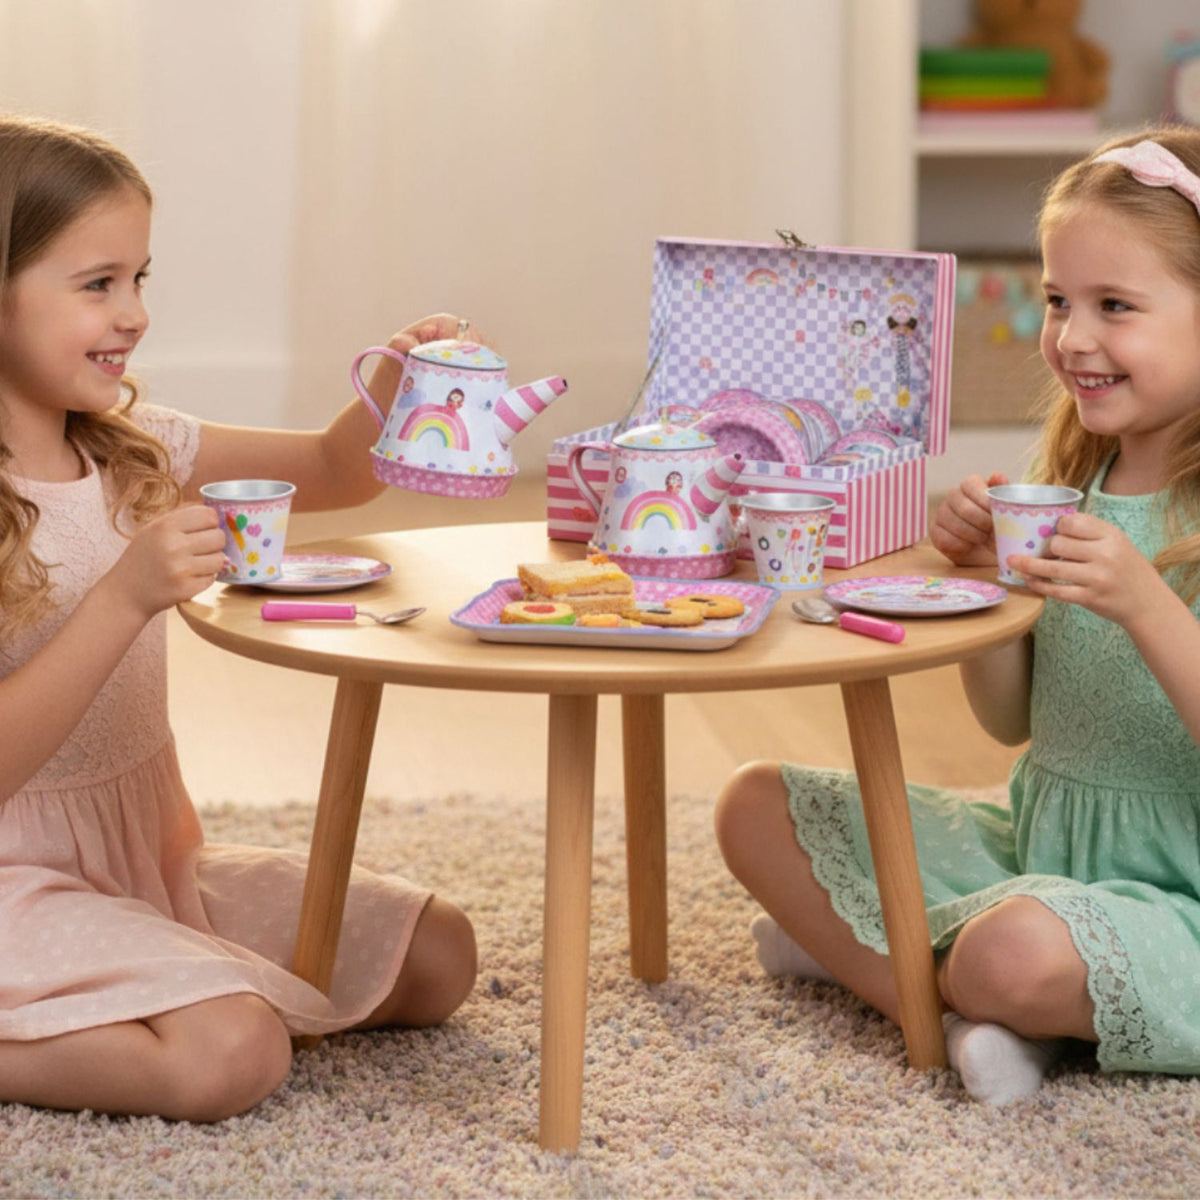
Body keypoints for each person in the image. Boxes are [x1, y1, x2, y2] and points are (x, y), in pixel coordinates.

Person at [0, 114, 479, 1121]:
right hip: (9, 881)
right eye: (98, 284)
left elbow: (339, 473)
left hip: (141, 861)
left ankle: (147, 972)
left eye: (140, 279)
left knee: (438, 955)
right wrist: (122, 597)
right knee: (231, 1053)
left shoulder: (139, 446)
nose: (132, 314)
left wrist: (392, 384)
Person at [714, 126, 1200, 1106]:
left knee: (1010, 955)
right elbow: (1010, 720)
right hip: (1041, 845)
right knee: (754, 805)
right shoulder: (1070, 476)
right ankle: (960, 1006)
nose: (1071, 337)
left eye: (1116, 307)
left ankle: (927, 977)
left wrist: (1146, 603)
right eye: (1059, 300)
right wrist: (986, 586)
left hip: (1183, 900)